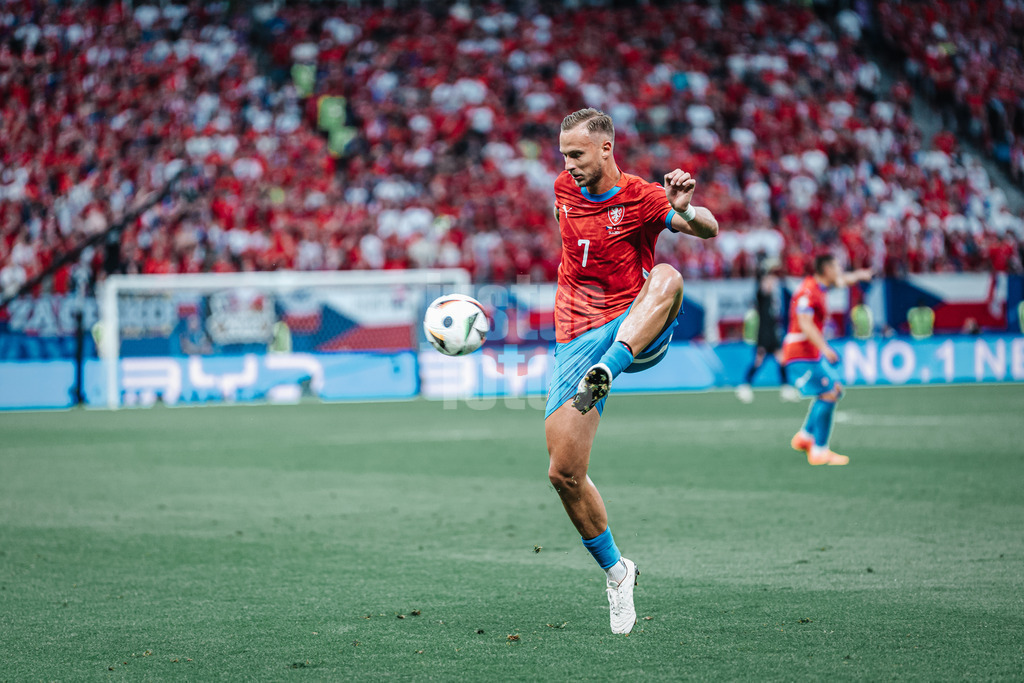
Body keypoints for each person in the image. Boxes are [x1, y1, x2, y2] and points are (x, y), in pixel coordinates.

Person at [545, 108, 719, 635]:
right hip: (575, 338)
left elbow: (708, 229)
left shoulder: (643, 197)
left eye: (577, 154)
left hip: (634, 327)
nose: (568, 164)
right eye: (564, 155)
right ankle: (618, 573)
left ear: (606, 148)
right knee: (563, 473)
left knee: (667, 274)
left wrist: (684, 210)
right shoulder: (564, 188)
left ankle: (610, 367)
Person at [783, 254, 872, 466]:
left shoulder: (820, 286)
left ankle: (805, 437)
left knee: (833, 389)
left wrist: (860, 275)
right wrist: (825, 348)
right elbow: (804, 323)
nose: (840, 271)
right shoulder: (807, 292)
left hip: (810, 354)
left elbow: (843, 280)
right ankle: (819, 451)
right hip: (800, 354)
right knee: (829, 393)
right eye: (837, 267)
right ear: (826, 270)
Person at [736, 265, 800, 403]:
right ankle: (745, 385)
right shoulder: (762, 297)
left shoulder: (772, 298)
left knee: (782, 360)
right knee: (758, 361)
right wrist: (763, 272)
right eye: (769, 281)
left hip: (773, 335)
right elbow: (759, 283)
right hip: (764, 335)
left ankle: (786, 388)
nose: (772, 283)